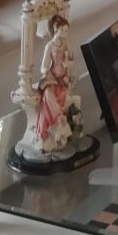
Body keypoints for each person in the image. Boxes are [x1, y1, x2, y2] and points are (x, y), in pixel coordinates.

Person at [34, 13, 75, 153]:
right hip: (52, 78)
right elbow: (43, 67)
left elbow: (71, 60)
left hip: (63, 78)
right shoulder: (50, 46)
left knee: (62, 93)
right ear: (57, 29)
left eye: (67, 31)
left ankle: (60, 125)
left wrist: (68, 64)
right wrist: (47, 72)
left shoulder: (66, 44)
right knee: (47, 95)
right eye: (64, 30)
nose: (65, 34)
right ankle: (57, 120)